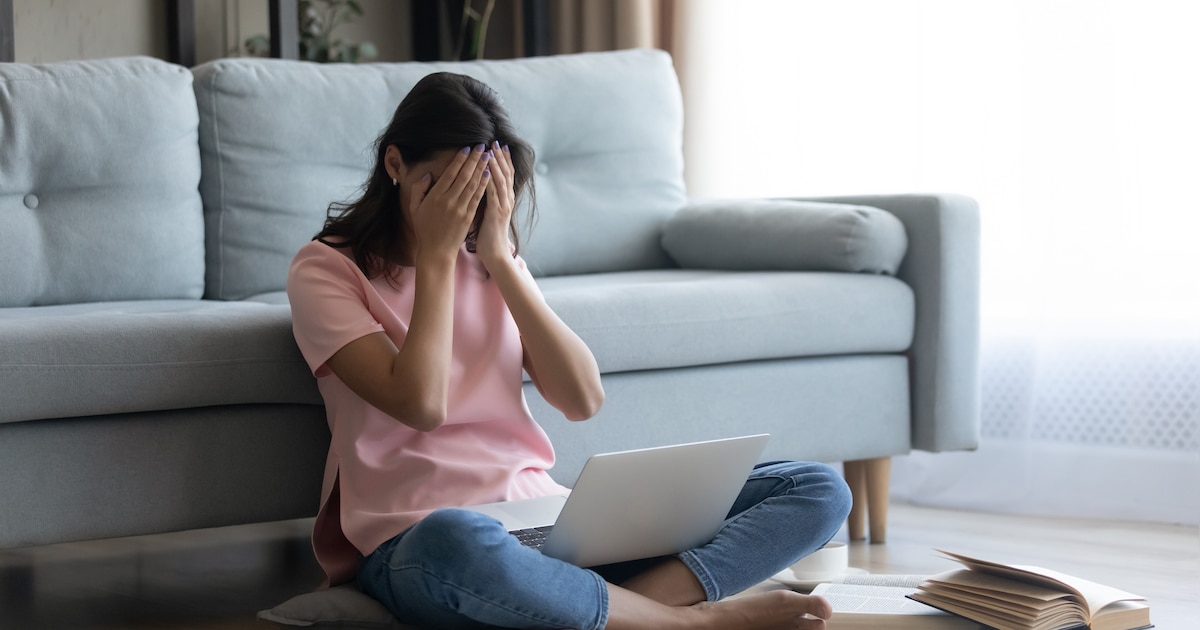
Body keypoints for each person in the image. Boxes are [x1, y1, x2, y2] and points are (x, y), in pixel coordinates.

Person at [286, 71, 853, 630]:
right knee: (455, 538)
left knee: (814, 487)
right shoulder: (326, 269)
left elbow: (582, 398)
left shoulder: (488, 257)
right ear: (395, 166)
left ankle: (617, 607)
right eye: (444, 188)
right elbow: (422, 405)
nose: (461, 212)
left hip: (545, 521)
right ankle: (683, 622)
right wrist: (436, 259)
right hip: (415, 540)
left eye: (478, 193)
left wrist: (501, 260)